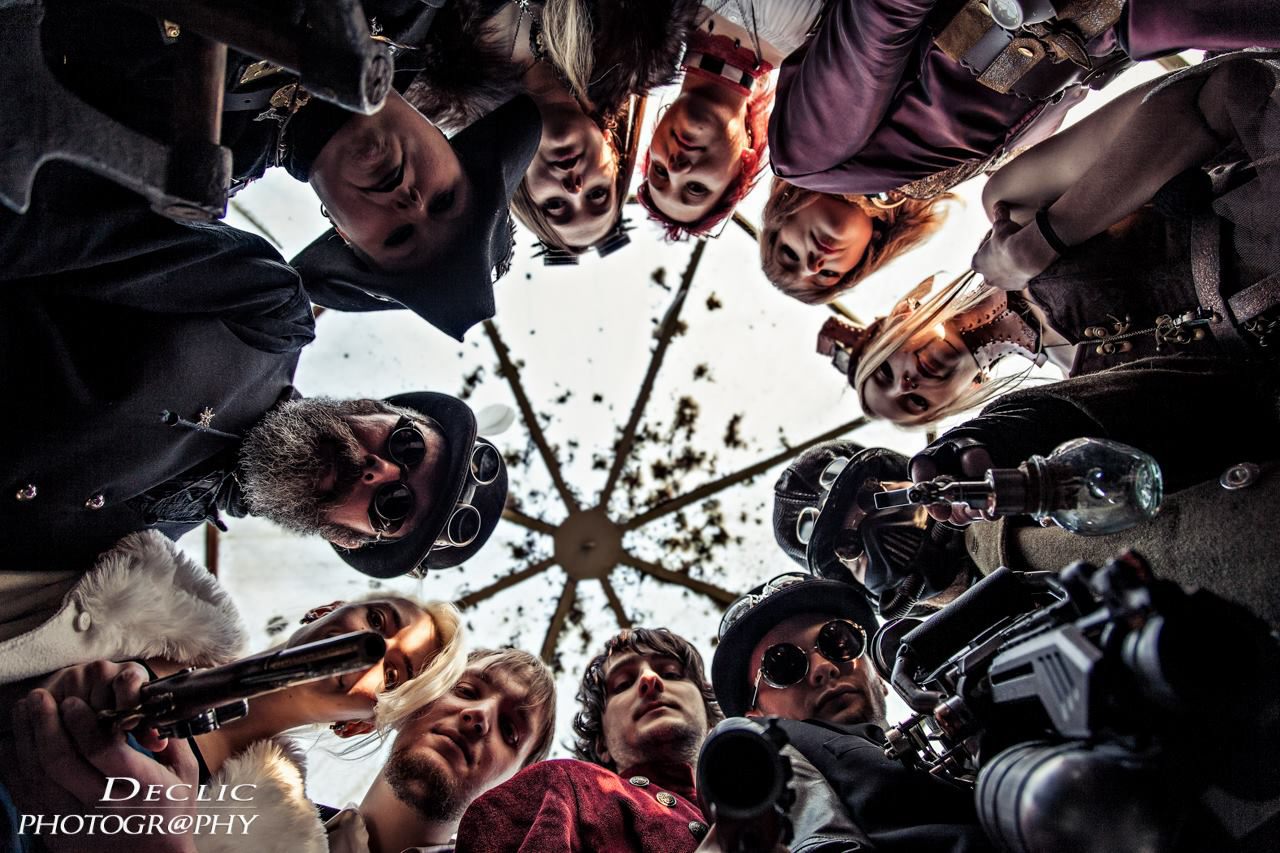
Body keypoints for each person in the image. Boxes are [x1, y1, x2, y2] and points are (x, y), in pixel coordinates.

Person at [1, 167, 507, 574]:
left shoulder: (136, 558)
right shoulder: (270, 315)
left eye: (393, 505)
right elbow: (53, 219)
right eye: (407, 446)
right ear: (375, 408)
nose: (381, 470)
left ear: (346, 538)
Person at [37, 1, 541, 340]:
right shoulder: (416, 14)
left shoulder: (175, 172)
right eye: (445, 200)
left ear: (344, 235)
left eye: (400, 237)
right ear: (452, 144)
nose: (411, 203)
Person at [0, 530, 469, 851]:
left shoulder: (279, 839)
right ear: (327, 609)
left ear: (354, 726)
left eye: (392, 675)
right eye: (377, 621)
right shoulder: (140, 580)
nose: (372, 651)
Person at [767, 0, 1280, 200]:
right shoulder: (964, 192)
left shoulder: (803, 158)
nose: (815, 261)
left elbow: (883, 15)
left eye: (785, 254)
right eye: (824, 281)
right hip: (1125, 31)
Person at [710, 573, 995, 852]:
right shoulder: (748, 751)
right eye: (783, 666)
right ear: (755, 717)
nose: (824, 667)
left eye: (839, 642)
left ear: (880, 676)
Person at [453, 627, 719, 852]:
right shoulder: (562, 786)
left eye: (672, 673)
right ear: (601, 743)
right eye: (623, 684)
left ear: (711, 723)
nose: (650, 679)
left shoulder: (758, 805)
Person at [325, 647, 558, 853]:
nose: (480, 715)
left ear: (515, 787)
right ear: (417, 697)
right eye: (465, 691)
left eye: (509, 731)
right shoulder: (288, 815)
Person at [639, 1, 792, 239]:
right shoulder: (812, 41)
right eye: (696, 188)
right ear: (744, 165)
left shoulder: (651, 13)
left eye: (659, 170)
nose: (676, 168)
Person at [760, 180, 953, 304]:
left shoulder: (801, 131)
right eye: (828, 274)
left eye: (791, 254)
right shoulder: (934, 179)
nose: (812, 266)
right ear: (867, 251)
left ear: (780, 216)